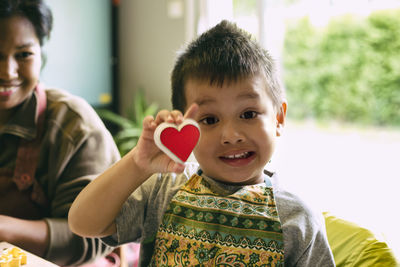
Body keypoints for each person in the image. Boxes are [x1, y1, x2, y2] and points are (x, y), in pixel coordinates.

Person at [69, 20, 336, 266]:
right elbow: (83, 223)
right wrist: (139, 163)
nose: (231, 135)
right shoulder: (164, 189)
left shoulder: (297, 220)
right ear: (187, 127)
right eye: (209, 119)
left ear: (278, 118)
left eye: (248, 114)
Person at [0, 0, 121, 266]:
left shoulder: (74, 125)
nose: (7, 72)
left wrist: (4, 230)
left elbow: (96, 237)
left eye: (23, 54)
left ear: (41, 53)